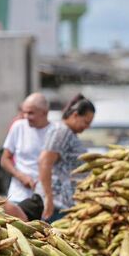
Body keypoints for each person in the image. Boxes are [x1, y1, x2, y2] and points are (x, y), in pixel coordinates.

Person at [37, 94, 95, 222]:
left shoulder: (68, 133)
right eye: (86, 122)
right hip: (57, 204)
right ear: (75, 115)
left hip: (65, 204)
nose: (87, 127)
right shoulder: (61, 131)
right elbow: (44, 162)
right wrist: (48, 198)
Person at [0, 93, 52, 202]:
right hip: (18, 197)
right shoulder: (18, 127)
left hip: (46, 200)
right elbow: (5, 160)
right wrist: (20, 176)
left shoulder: (56, 132)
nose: (26, 116)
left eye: (31, 113)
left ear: (44, 113)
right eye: (24, 112)